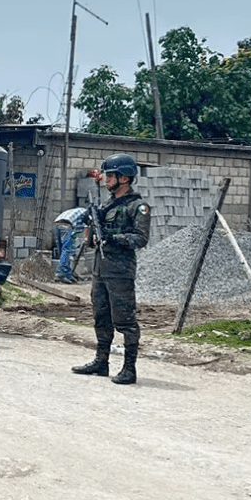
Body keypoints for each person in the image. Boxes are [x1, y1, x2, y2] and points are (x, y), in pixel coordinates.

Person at [71, 153, 150, 384]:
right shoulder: (107, 205)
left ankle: (129, 368)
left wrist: (113, 238)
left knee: (125, 320)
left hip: (120, 271)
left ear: (123, 178)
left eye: (110, 175)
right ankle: (101, 361)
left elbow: (140, 238)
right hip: (101, 269)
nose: (106, 179)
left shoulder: (138, 206)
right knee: (101, 316)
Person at [52, 207, 90, 284]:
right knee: (67, 250)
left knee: (63, 251)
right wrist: (86, 239)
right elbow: (88, 228)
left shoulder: (81, 211)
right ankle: (62, 274)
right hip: (68, 225)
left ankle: (66, 273)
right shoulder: (89, 214)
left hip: (58, 224)